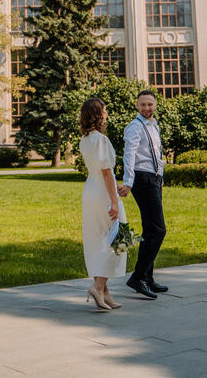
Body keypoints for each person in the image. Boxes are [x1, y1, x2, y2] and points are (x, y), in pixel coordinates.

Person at [119, 88, 168, 299]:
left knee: (150, 229)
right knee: (158, 230)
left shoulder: (154, 126)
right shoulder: (135, 127)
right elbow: (129, 155)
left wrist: (160, 177)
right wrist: (128, 182)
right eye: (142, 104)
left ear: (155, 105)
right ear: (137, 106)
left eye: (150, 104)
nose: (146, 108)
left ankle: (147, 277)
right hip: (142, 179)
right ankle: (138, 277)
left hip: (154, 179)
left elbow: (156, 155)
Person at [79, 97, 126, 311]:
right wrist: (114, 201)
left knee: (99, 239)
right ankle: (98, 287)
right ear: (98, 114)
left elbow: (99, 171)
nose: (106, 114)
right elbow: (106, 172)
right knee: (117, 238)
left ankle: (105, 292)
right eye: (104, 110)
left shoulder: (85, 139)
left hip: (91, 189)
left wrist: (115, 188)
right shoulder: (101, 140)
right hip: (102, 193)